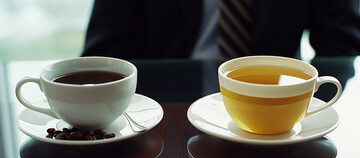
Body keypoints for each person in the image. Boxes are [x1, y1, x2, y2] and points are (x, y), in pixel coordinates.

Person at [82, 0, 360, 60]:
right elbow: (106, 56)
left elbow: (341, 45)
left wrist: (304, 111)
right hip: (164, 114)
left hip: (275, 112)